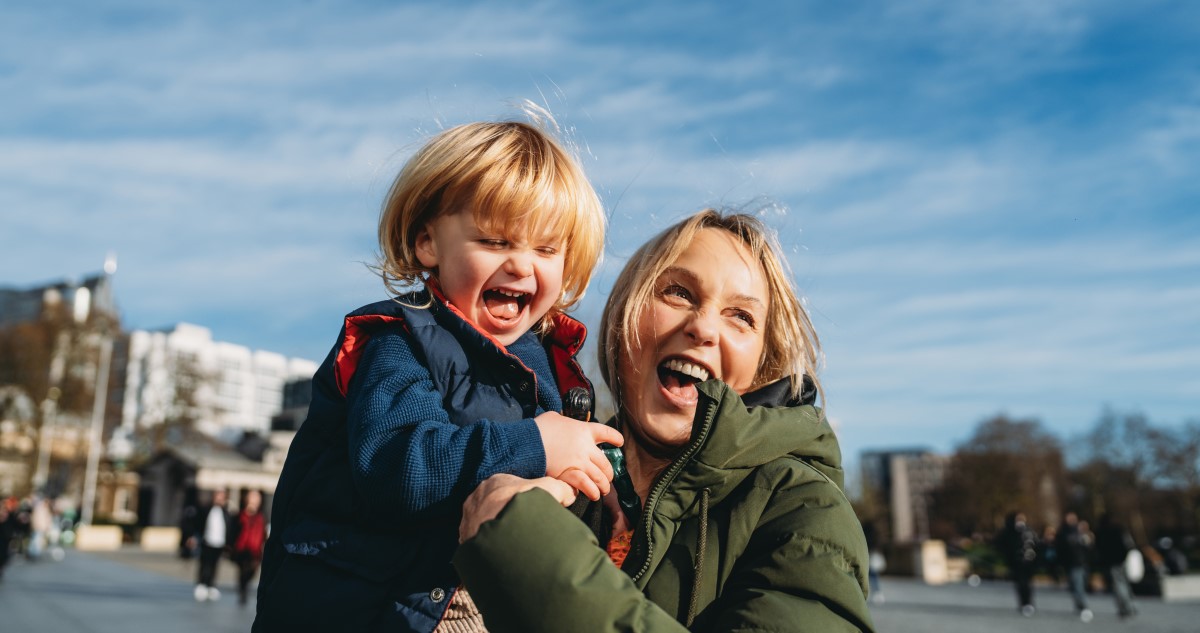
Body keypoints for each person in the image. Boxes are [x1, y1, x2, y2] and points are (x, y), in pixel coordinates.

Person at [253, 116, 620, 632]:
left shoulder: (544, 367)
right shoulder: (400, 343)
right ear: (428, 244)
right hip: (369, 611)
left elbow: (551, 478)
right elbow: (395, 468)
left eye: (545, 249)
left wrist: (578, 489)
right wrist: (537, 444)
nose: (521, 265)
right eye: (495, 241)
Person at [455, 210, 876, 632]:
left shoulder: (803, 508)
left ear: (762, 369)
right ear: (623, 320)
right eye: (678, 293)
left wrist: (527, 545)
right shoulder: (546, 470)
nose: (704, 328)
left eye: (741, 316)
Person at [995, 511, 1040, 616]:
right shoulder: (1009, 532)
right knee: (1021, 584)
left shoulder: (1029, 531)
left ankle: (1028, 603)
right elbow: (1001, 545)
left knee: (1027, 584)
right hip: (1017, 563)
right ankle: (1024, 603)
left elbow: (1037, 545)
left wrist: (1037, 560)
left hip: (1029, 562)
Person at [190, 488, 231, 602]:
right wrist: (194, 537)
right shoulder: (205, 510)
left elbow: (229, 527)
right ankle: (201, 584)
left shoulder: (226, 512)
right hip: (207, 541)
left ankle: (211, 585)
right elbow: (197, 524)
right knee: (204, 564)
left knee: (214, 565)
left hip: (220, 543)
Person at [229, 490, 268, 606]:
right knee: (243, 570)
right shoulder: (241, 515)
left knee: (252, 571)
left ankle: (244, 586)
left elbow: (264, 533)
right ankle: (242, 590)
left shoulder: (261, 517)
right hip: (242, 548)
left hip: (255, 549)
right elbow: (234, 531)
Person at [1095, 513, 1137, 618]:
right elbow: (1128, 544)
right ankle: (1130, 606)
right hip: (1122, 560)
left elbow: (1099, 549)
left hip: (1111, 562)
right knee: (1125, 583)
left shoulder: (1101, 531)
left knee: (1118, 585)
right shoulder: (1119, 529)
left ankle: (1125, 608)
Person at [1056, 511, 1093, 622]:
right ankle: (1081, 605)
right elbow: (1061, 549)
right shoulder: (1064, 533)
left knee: (1079, 585)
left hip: (1080, 563)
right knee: (1076, 585)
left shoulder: (1081, 534)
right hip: (1072, 563)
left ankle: (1082, 605)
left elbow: (1089, 549)